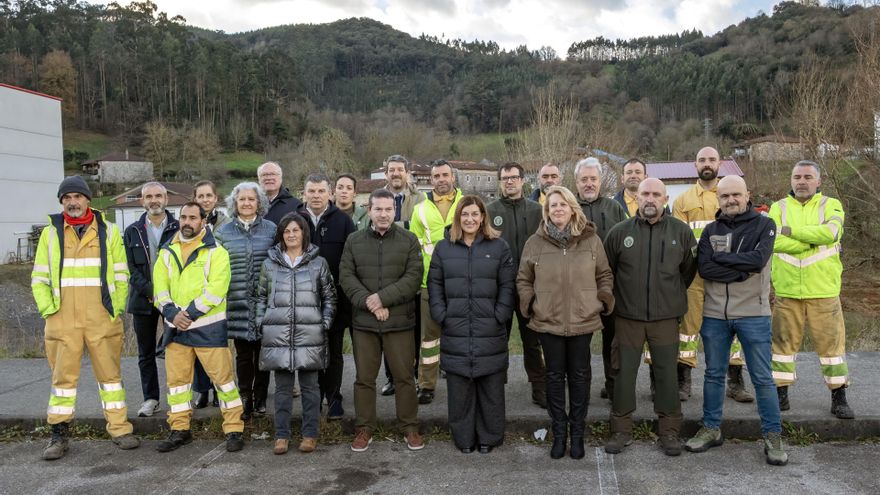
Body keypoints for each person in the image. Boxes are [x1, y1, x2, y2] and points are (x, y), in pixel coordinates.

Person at [32, 176, 141, 460]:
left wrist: (114, 308)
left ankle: (119, 429)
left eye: (77, 197)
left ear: (88, 200)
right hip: (61, 319)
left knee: (111, 378)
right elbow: (39, 278)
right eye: (66, 198)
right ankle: (58, 434)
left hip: (101, 317)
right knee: (62, 382)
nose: (72, 202)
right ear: (61, 203)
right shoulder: (51, 233)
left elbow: (121, 274)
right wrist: (49, 311)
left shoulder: (109, 231)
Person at [684, 175, 787, 466]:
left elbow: (757, 261)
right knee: (714, 375)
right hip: (715, 315)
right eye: (725, 196)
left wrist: (725, 261)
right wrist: (740, 268)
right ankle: (711, 428)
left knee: (763, 379)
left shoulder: (764, 225)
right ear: (719, 198)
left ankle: (772, 435)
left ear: (747, 195)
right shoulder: (710, 230)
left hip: (753, 314)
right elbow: (704, 268)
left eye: (736, 195)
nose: (731, 200)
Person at [517, 186, 614, 460]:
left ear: (573, 208)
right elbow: (523, 278)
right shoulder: (534, 243)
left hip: (583, 320)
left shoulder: (591, 240)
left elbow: (604, 274)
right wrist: (530, 301)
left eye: (562, 204)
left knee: (580, 377)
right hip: (548, 321)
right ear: (546, 211)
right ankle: (559, 434)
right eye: (552, 206)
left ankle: (578, 434)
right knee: (554, 377)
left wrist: (603, 298)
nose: (557, 209)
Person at [603, 178, 697, 457]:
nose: (650, 199)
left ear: (665, 199)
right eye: (645, 194)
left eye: (656, 194)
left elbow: (688, 271)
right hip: (628, 317)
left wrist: (668, 298)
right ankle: (621, 430)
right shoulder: (620, 233)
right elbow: (608, 271)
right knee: (623, 374)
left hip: (665, 318)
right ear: (637, 197)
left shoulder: (681, 232)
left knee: (667, 374)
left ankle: (668, 432)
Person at [152, 202, 244, 453]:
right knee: (178, 384)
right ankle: (180, 429)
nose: (187, 222)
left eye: (193, 217)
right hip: (176, 329)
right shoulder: (166, 251)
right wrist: (171, 312)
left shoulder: (217, 252)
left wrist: (188, 314)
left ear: (204, 221)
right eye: (183, 217)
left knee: (223, 381)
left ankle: (234, 429)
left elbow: (216, 290)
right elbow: (159, 289)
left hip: (208, 329)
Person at [429, 195, 516, 454]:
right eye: (464, 214)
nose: (470, 219)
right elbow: (434, 284)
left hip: (489, 327)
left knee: (490, 389)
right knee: (460, 390)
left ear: (482, 218)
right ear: (458, 218)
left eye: (475, 215)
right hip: (455, 327)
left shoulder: (499, 247)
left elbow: (507, 286)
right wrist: (441, 313)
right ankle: (464, 438)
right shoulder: (444, 248)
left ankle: (489, 437)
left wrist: (500, 314)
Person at [340, 189, 424, 452]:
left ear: (395, 211)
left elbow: (413, 278)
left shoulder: (409, 240)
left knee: (404, 377)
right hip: (364, 322)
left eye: (389, 209)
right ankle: (364, 428)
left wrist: (383, 299)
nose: (384, 214)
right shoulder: (354, 241)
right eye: (379, 209)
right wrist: (370, 303)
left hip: (399, 322)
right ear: (370, 210)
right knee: (364, 378)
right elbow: (346, 276)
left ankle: (409, 427)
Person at [769, 160, 853, 419]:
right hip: (787, 291)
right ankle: (780, 395)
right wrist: (806, 244)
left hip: (824, 292)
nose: (801, 181)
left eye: (807, 176)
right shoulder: (778, 207)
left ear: (819, 181)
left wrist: (791, 231)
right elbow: (772, 239)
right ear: (791, 180)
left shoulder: (832, 205)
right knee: (781, 348)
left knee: (833, 351)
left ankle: (839, 397)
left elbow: (830, 233)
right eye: (797, 176)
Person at [672, 147, 751, 403]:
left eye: (712, 159)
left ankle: (735, 382)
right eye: (702, 160)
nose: (707, 164)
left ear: (720, 164)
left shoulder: (731, 195)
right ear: (695, 164)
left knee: (733, 328)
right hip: (694, 277)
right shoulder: (682, 201)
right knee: (688, 329)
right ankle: (683, 381)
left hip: (727, 276)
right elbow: (680, 242)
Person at [256, 213, 336, 455]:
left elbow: (330, 297)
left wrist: (325, 323)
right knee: (282, 389)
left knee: (311, 388)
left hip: (310, 334)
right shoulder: (269, 264)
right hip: (278, 335)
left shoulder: (318, 263)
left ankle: (310, 434)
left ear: (303, 233)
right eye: (286, 231)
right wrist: (262, 322)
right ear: (281, 235)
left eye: (295, 230)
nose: (291, 234)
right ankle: (281, 435)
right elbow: (260, 296)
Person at [486, 162, 547, 408]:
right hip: (499, 288)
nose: (509, 182)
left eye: (513, 177)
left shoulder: (537, 211)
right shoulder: (489, 211)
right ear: (500, 182)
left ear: (523, 181)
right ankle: (495, 387)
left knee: (533, 340)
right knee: (497, 339)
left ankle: (539, 386)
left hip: (530, 288)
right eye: (504, 178)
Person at [215, 182, 276, 420]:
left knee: (263, 353)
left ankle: (260, 397)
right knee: (242, 354)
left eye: (252, 199)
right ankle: (245, 397)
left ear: (259, 203)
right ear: (235, 203)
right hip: (237, 301)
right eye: (242, 199)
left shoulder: (271, 230)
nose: (247, 203)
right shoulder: (223, 232)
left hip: (265, 302)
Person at [297, 173, 356, 419]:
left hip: (336, 300)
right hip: (303, 300)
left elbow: (352, 260)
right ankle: (312, 399)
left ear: (329, 194)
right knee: (309, 352)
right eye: (312, 191)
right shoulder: (295, 221)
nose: (316, 196)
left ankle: (333, 398)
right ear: (304, 194)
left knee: (333, 352)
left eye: (321, 191)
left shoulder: (343, 221)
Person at [124, 182, 179, 418]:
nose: (154, 200)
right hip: (143, 299)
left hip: (174, 300)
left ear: (166, 199)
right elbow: (130, 269)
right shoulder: (132, 231)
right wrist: (153, 292)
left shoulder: (180, 227)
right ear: (142, 201)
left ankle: (180, 398)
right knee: (146, 353)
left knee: (178, 350)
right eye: (149, 196)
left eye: (158, 195)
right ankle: (151, 399)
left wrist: (166, 295)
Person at [573, 158, 627, 401]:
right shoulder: (568, 208)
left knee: (612, 341)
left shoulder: (614, 208)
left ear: (600, 181)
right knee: (579, 343)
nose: (589, 183)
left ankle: (614, 385)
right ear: (576, 182)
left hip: (610, 287)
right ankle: (579, 388)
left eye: (593, 179)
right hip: (578, 289)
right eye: (584, 179)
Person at [410, 159, 463, 405]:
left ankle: (461, 378)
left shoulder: (467, 204)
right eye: (436, 176)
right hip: (429, 282)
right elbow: (415, 245)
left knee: (460, 334)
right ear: (430, 180)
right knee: (429, 338)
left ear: (453, 177)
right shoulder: (419, 209)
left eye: (445, 175)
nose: (441, 179)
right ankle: (427, 384)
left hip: (461, 281)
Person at [379, 154, 425, 397]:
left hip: (412, 272)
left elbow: (419, 231)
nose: (396, 173)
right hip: (385, 274)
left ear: (408, 173)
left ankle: (415, 376)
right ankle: (391, 378)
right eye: (391, 169)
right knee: (388, 329)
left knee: (414, 331)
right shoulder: (379, 197)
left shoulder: (420, 198)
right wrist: (405, 227)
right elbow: (376, 228)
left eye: (400, 169)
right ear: (386, 173)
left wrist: (396, 228)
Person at [191, 180, 227, 407]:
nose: (205, 199)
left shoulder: (226, 223)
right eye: (200, 196)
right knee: (197, 345)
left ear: (216, 198)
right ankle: (202, 390)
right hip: (195, 292)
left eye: (208, 195)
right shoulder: (187, 222)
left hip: (218, 289)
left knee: (217, 345)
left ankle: (219, 389)